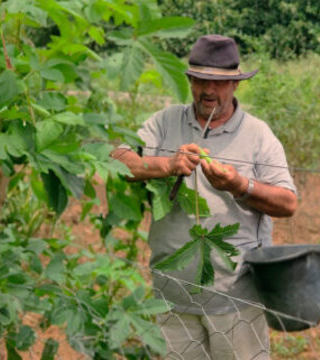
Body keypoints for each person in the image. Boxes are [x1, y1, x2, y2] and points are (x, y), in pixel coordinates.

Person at [111, 34, 297, 359]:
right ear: (190, 80)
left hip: (235, 300)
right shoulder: (166, 121)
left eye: (219, 83)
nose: (208, 90)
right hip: (172, 299)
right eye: (200, 80)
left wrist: (240, 185)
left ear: (236, 85)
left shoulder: (258, 135)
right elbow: (117, 158)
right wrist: (166, 164)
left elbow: (287, 202)